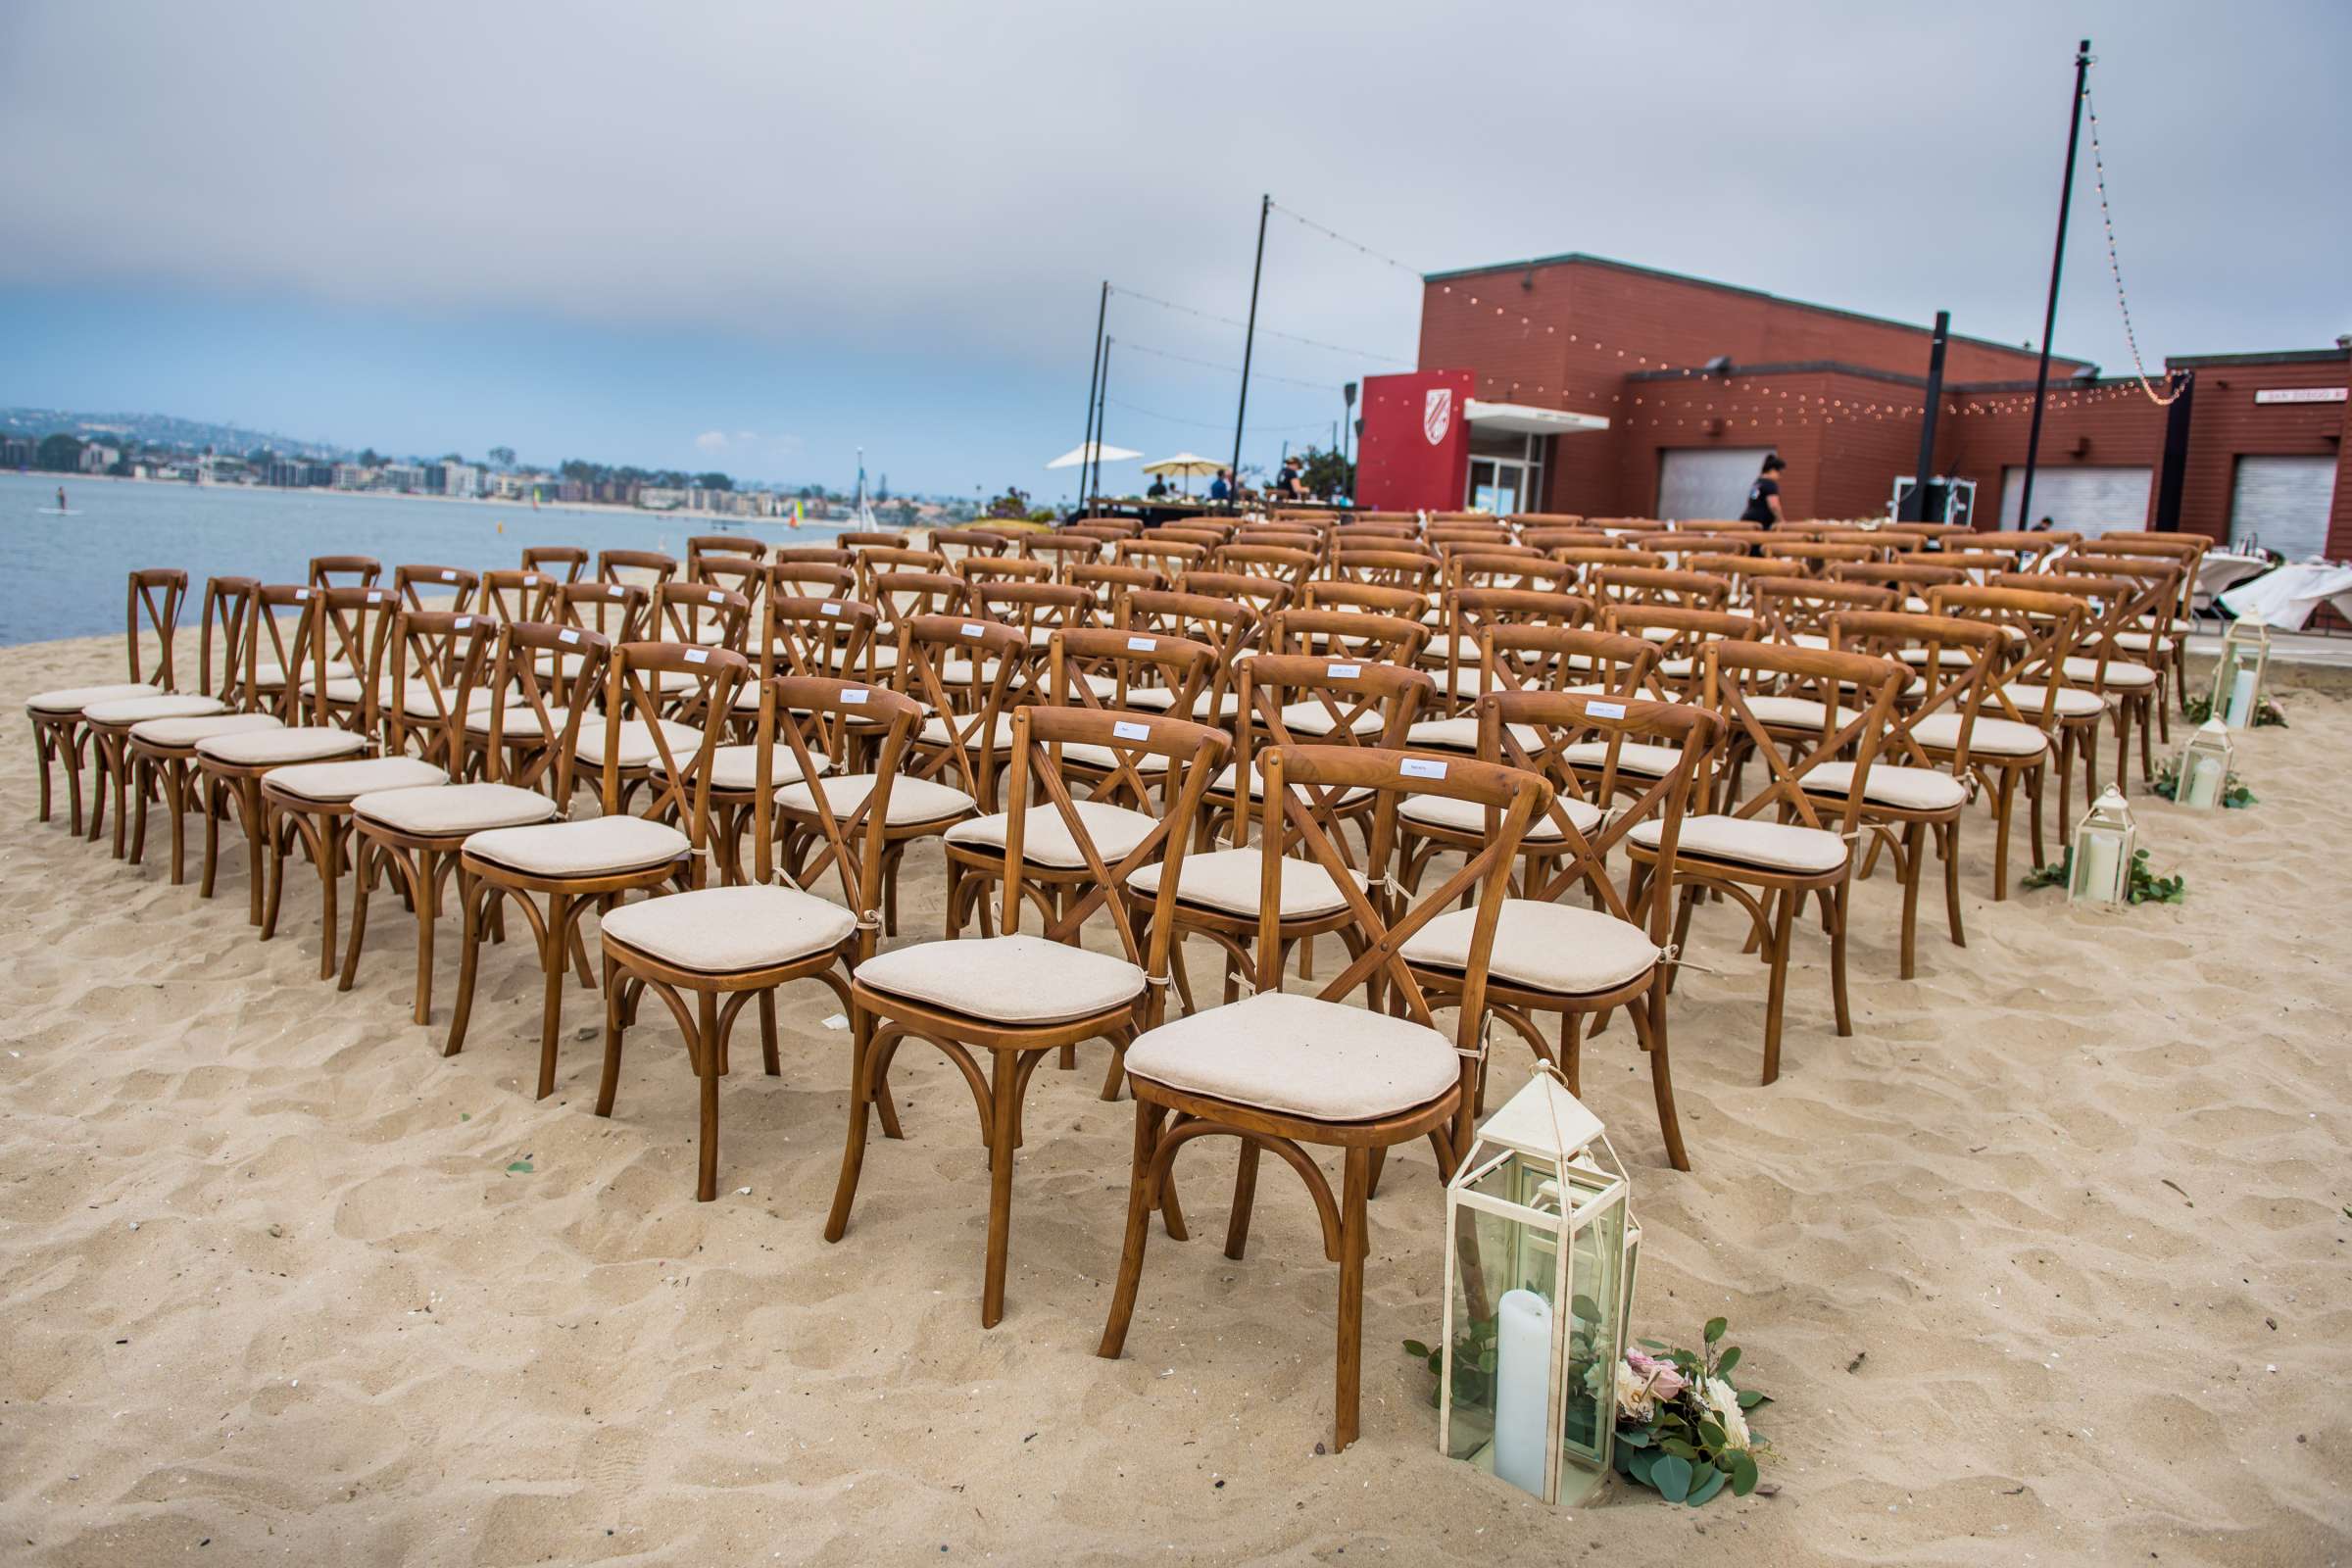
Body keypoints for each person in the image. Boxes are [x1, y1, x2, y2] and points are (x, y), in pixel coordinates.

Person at [1738, 454, 1787, 527]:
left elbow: (1752, 500)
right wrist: (1781, 521)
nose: (1780, 477)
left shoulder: (1757, 483)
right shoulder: (1770, 484)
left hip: (1747, 519)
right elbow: (1774, 506)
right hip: (1760, 523)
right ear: (1772, 470)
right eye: (1780, 473)